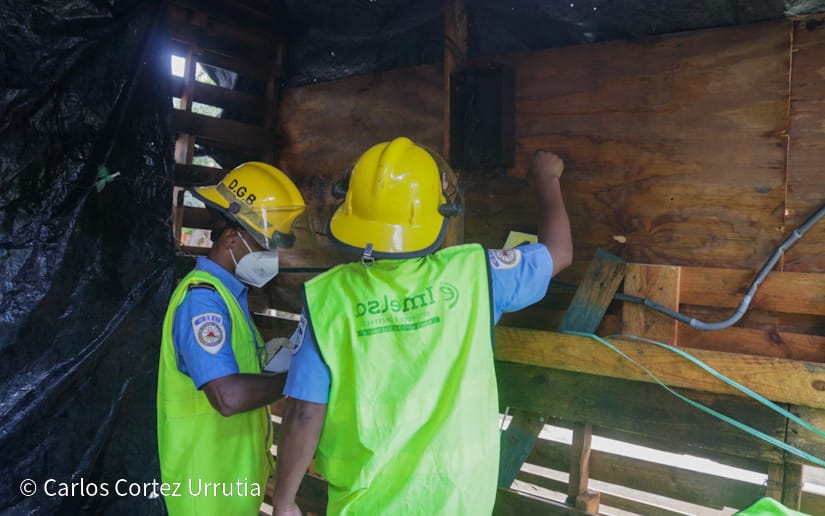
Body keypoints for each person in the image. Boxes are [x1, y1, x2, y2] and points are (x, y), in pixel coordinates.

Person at [271, 137, 573, 515]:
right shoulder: (476, 274)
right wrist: (547, 178)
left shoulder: (327, 298)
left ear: (350, 207)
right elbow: (559, 252)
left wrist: (283, 502)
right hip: (458, 503)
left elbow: (303, 412)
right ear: (440, 211)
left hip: (364, 505)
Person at [157, 161, 307, 515]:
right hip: (204, 496)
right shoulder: (202, 301)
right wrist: (296, 379)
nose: (271, 258)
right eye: (265, 245)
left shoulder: (228, 299)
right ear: (230, 238)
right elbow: (227, 396)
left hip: (227, 490)